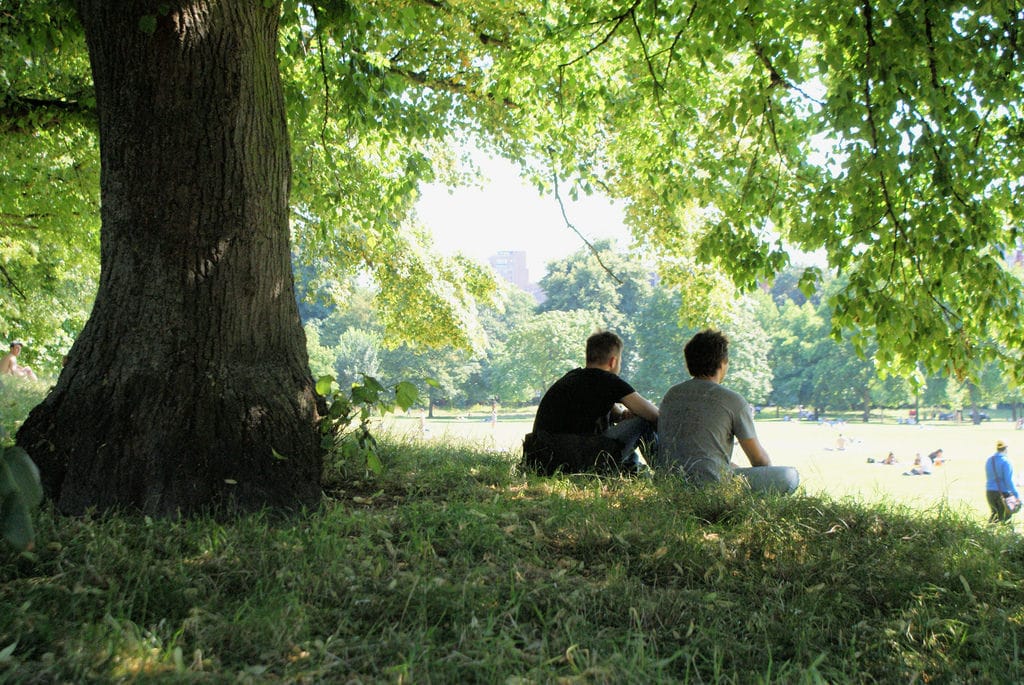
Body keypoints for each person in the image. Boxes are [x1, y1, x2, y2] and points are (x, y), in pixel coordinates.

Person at [658, 329, 799, 494]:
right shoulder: (733, 400)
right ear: (723, 362)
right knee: (789, 476)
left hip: (669, 484)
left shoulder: (671, 394)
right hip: (711, 486)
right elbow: (758, 459)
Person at [527, 330, 659, 473]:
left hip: (544, 460)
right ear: (613, 361)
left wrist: (622, 415)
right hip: (581, 460)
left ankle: (634, 471)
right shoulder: (609, 380)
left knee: (627, 455)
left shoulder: (571, 379)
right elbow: (653, 414)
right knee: (643, 422)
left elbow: (607, 411)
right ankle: (666, 471)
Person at [985, 440, 1020, 524]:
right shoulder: (1006, 461)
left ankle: (986, 534)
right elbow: (1008, 481)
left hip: (989, 492)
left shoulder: (990, 460)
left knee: (994, 516)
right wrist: (1016, 495)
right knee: (1006, 518)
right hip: (1003, 493)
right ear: (1006, 448)